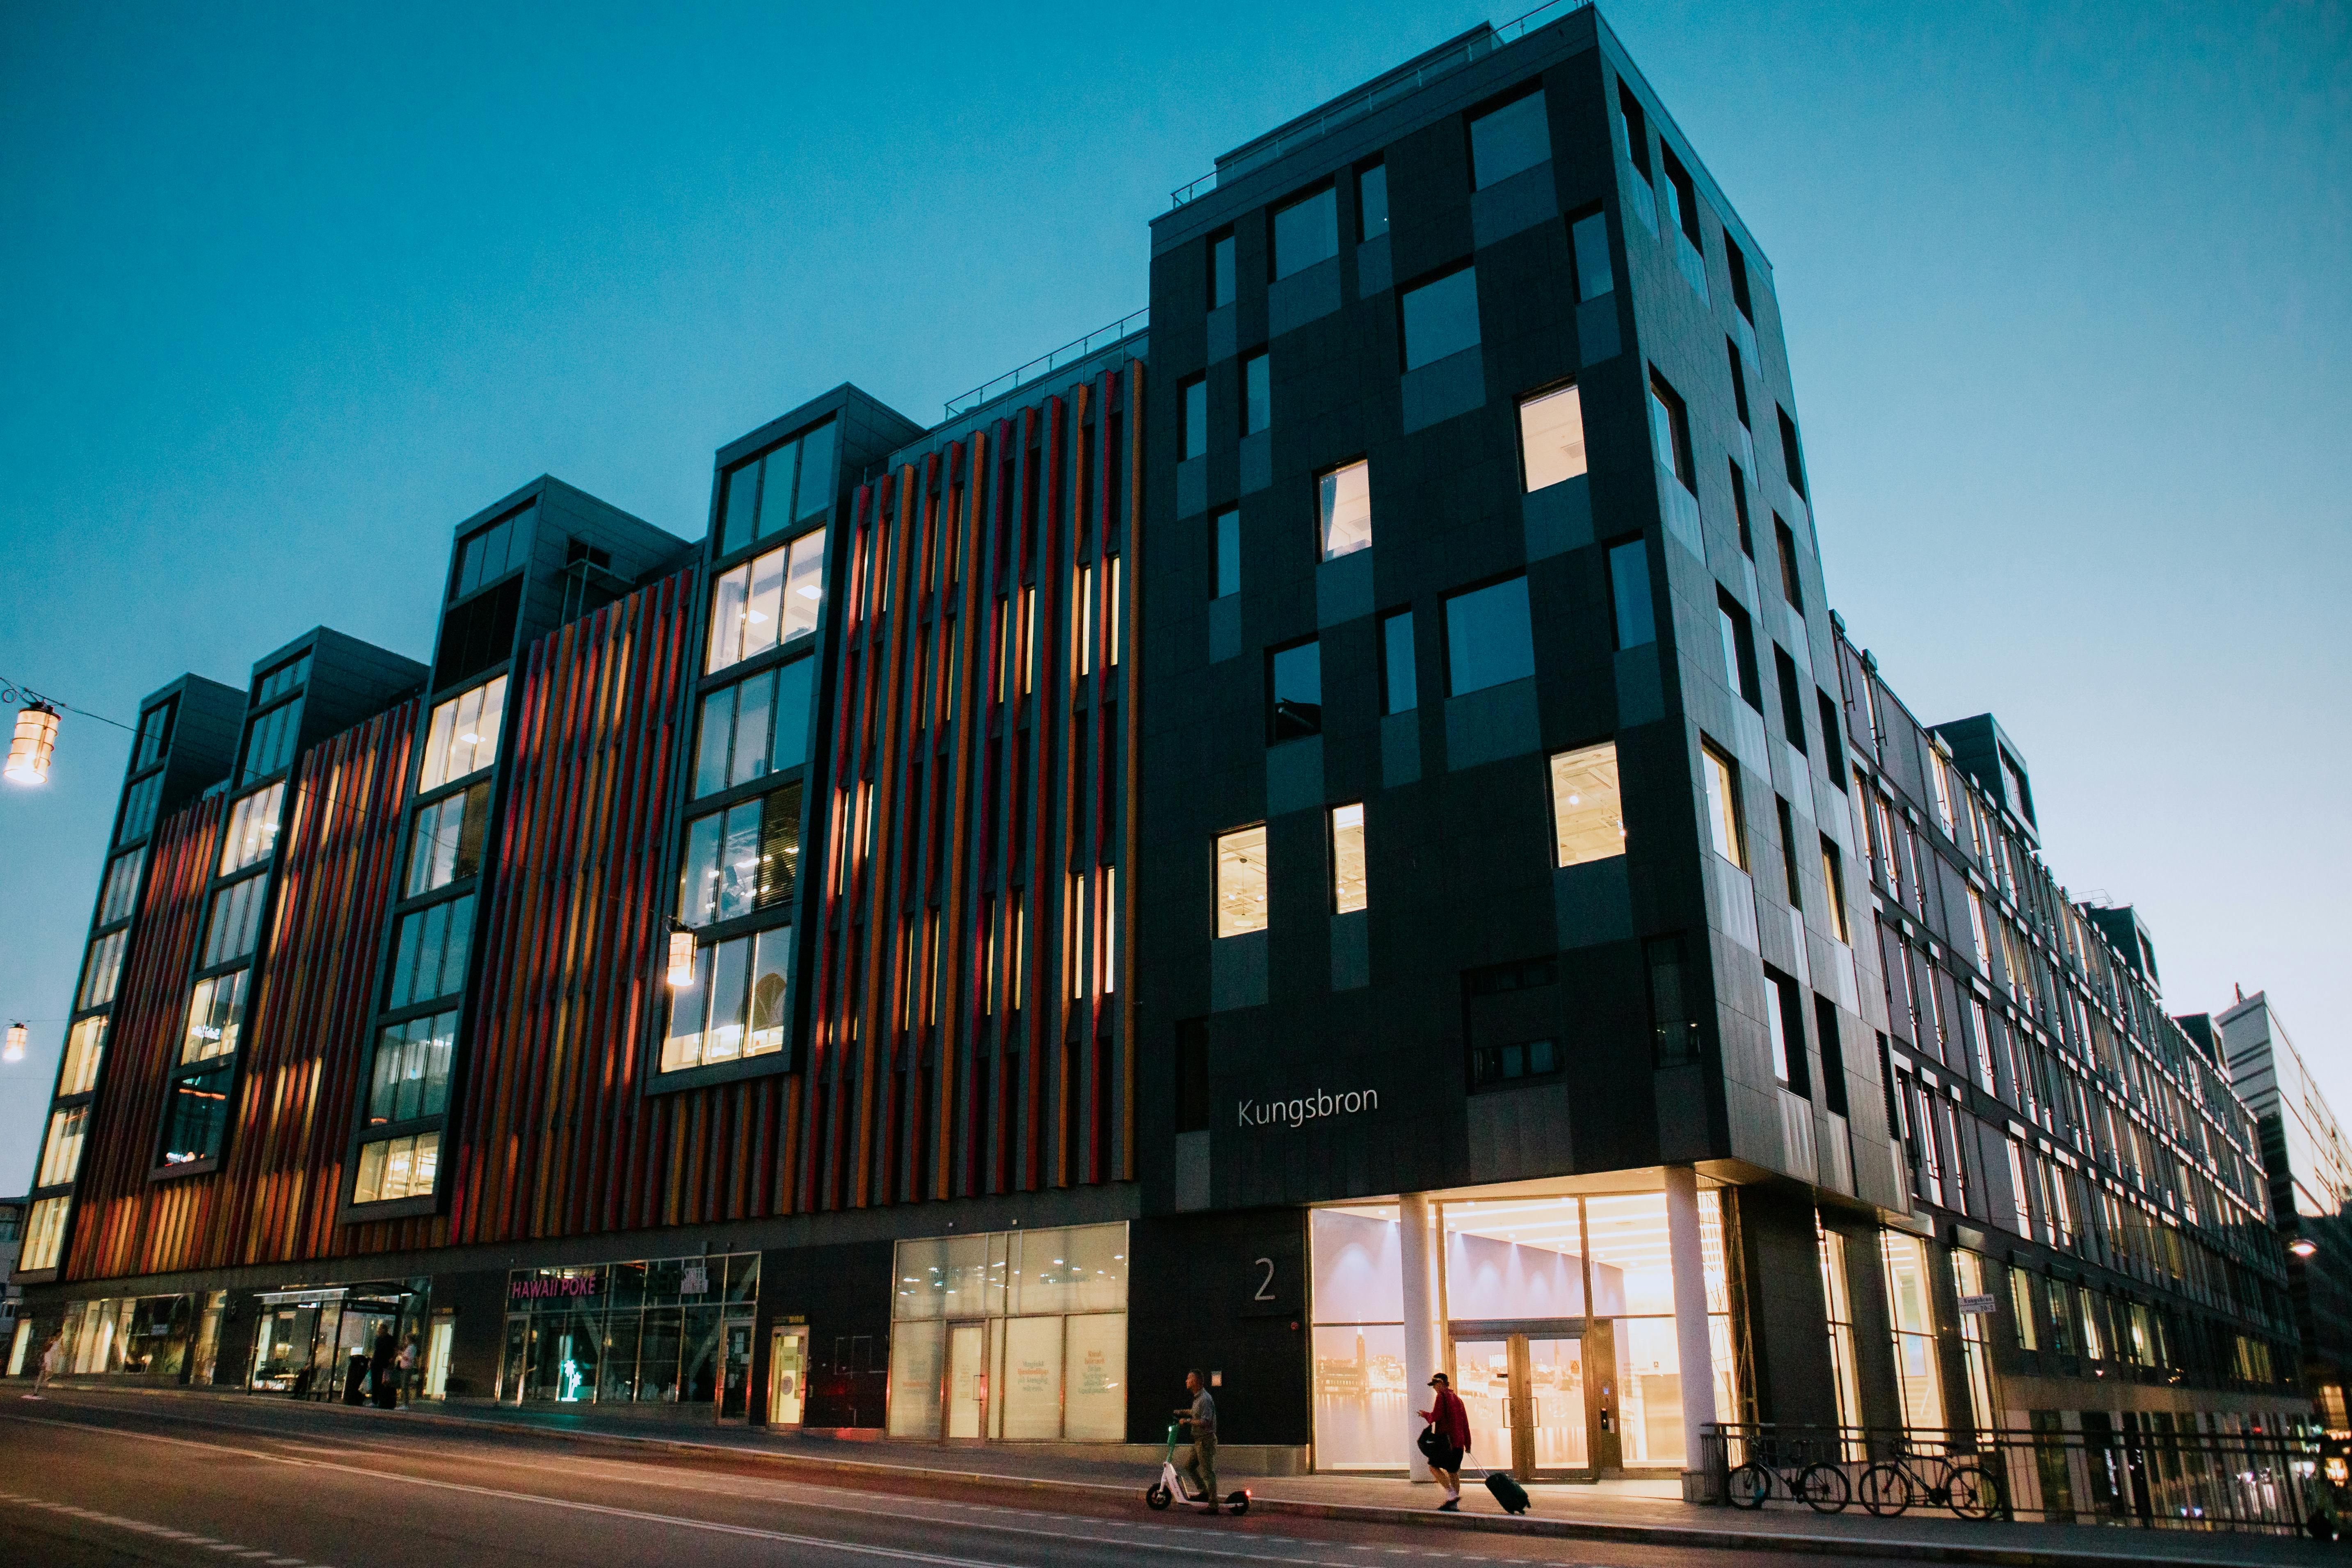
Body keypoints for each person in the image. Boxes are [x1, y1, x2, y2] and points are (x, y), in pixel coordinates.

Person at [1419, 1371, 1471, 1511]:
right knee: (1453, 1473)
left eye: (1435, 1385)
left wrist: (1425, 1415)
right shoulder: (1459, 1400)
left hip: (1447, 1443)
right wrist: (1468, 1444)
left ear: (1441, 1383)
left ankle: (1451, 1494)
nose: (1434, 1388)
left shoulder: (1441, 1397)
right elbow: (1465, 1423)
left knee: (1433, 1467)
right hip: (1459, 1443)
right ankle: (1454, 1505)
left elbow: (1436, 1416)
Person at [1177, 1369, 1220, 1514]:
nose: (1186, 1381)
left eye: (1189, 1379)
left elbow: (1205, 1421)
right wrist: (1182, 1412)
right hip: (1198, 1441)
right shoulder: (1198, 1398)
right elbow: (1196, 1413)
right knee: (1189, 1466)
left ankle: (1214, 1505)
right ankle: (1204, 1492)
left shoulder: (1205, 1399)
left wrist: (1188, 1421)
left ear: (1195, 1382)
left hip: (1205, 1441)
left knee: (1207, 1472)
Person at [370, 1326, 398, 1409]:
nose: (379, 1331)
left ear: (385, 1330)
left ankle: (380, 1400)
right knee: (374, 1381)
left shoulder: (390, 1340)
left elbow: (396, 1350)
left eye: (381, 1330)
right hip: (376, 1362)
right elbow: (376, 1351)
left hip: (384, 1363)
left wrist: (393, 1359)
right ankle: (374, 1401)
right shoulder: (378, 1339)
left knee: (381, 1382)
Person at [28, 1333, 63, 1399]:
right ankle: (36, 1392)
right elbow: (48, 1357)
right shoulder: (50, 1348)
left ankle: (36, 1392)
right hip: (46, 1365)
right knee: (42, 1378)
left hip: (46, 1364)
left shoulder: (50, 1348)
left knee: (41, 1378)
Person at [394, 1334, 419, 1409]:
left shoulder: (411, 1348)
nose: (406, 1341)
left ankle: (406, 1404)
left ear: (410, 1340)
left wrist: (401, 1354)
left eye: (407, 1339)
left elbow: (408, 1358)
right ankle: (405, 1404)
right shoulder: (411, 1347)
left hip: (407, 1368)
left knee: (405, 1385)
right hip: (406, 1367)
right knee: (404, 1385)